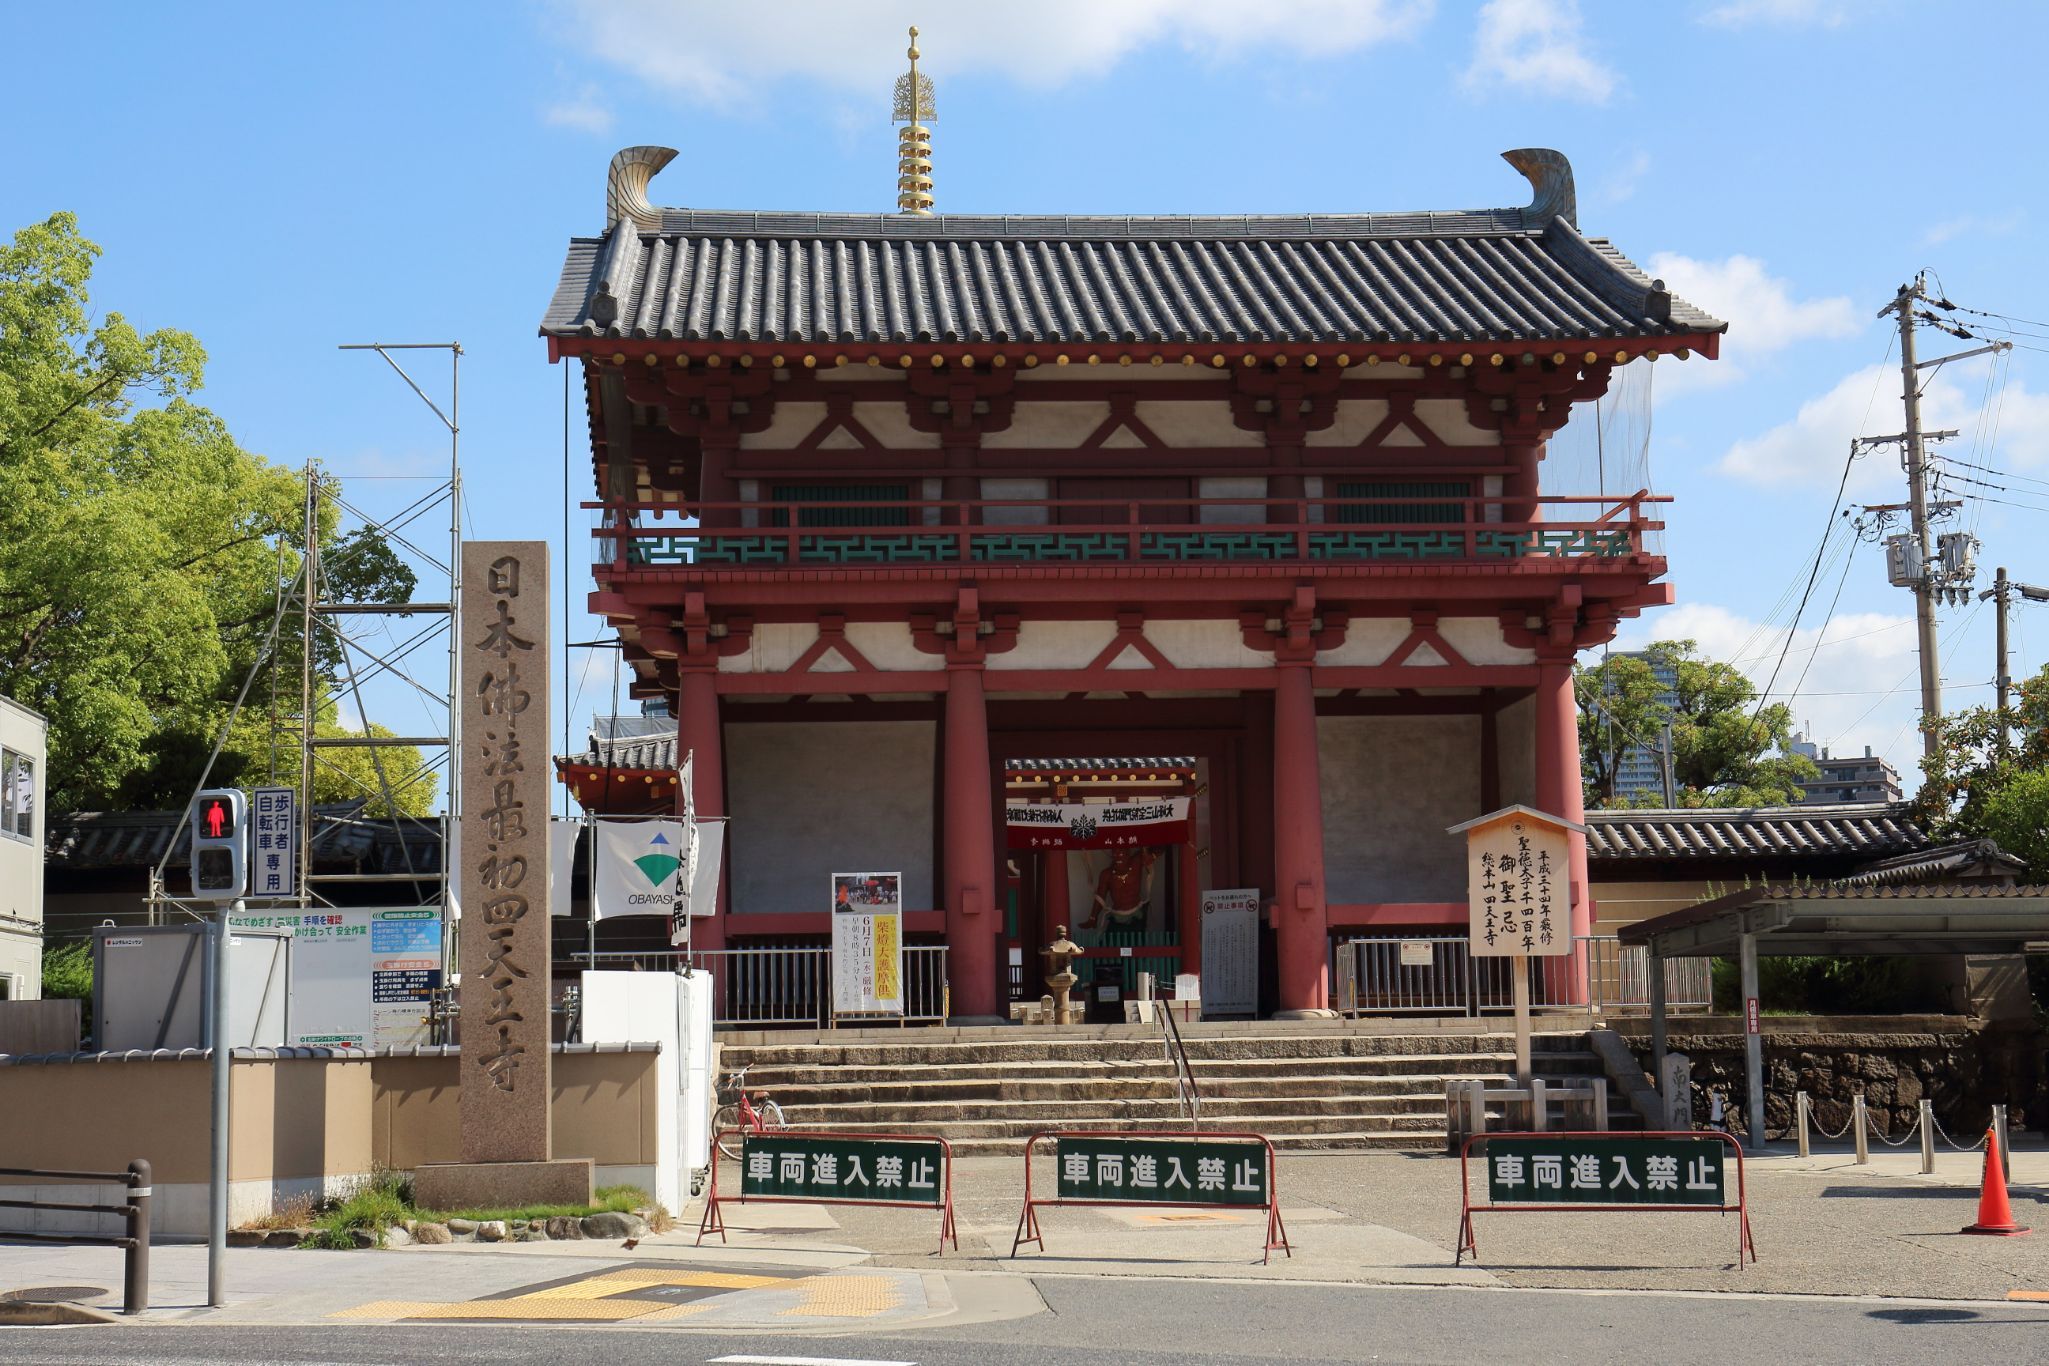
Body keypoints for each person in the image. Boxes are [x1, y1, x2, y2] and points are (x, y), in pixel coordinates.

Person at [1080, 846, 1158, 930]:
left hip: (1137, 915)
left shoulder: (1137, 861)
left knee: (1136, 940)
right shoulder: (1106, 875)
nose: (1117, 856)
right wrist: (1093, 918)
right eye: (1114, 853)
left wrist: (1152, 855)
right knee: (1112, 941)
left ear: (1128, 853)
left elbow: (1160, 848)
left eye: (1120, 852)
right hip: (1117, 916)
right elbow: (1100, 897)